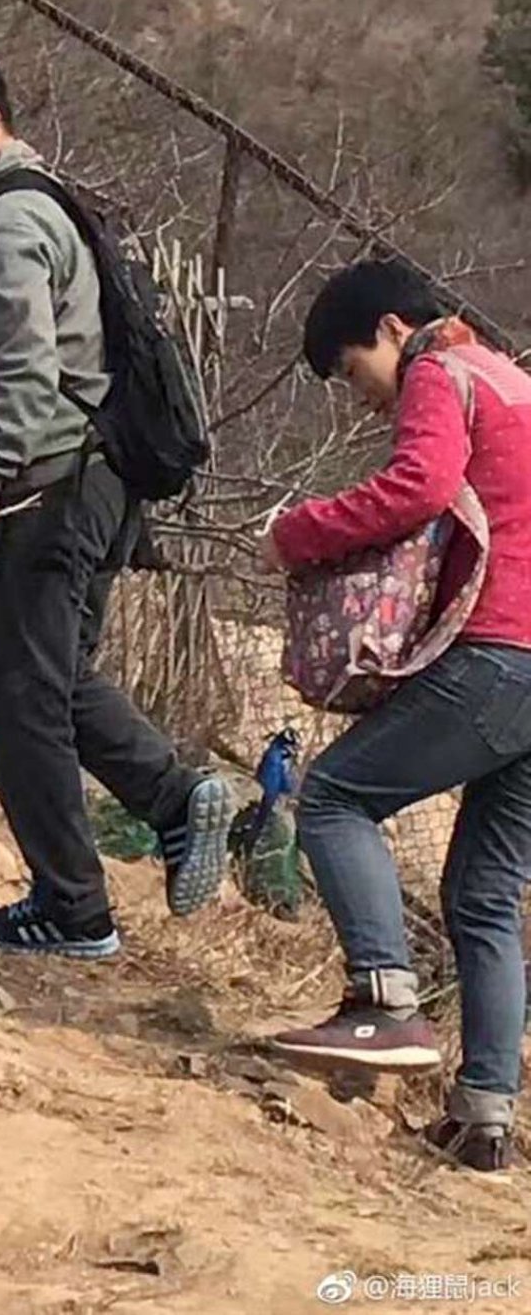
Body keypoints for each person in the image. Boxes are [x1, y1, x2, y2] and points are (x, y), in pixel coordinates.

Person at [0, 35, 233, 959]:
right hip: (96, 482)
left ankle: (74, 908)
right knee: (55, 678)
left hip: (49, 488)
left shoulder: (2, 226)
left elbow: (28, 376)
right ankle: (173, 799)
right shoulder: (48, 204)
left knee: (10, 697)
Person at [261, 260, 531, 1171]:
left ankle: (384, 999)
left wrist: (299, 531)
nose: (360, 398)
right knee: (485, 894)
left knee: (334, 794)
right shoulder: (511, 379)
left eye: (349, 372)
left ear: (388, 329)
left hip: (501, 652)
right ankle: (484, 1114)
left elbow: (416, 484)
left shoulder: (438, 369)